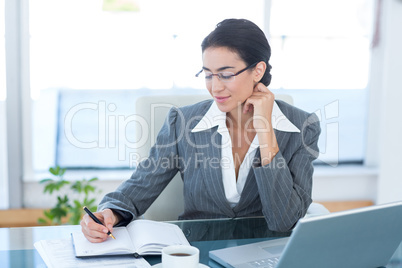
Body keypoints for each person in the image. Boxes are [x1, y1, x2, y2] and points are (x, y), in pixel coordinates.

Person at [81, 18, 321, 243]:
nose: (215, 87)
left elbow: (284, 221)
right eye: (208, 75)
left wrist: (266, 131)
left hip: (265, 253)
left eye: (226, 74)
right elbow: (141, 185)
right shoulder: (183, 122)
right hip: (197, 252)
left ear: (258, 70)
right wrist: (109, 212)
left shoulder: (302, 127)